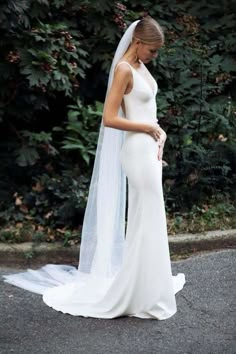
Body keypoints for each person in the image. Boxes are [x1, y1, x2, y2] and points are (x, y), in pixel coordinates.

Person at [4, 17, 185, 320]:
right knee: (147, 218)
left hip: (149, 150)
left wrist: (158, 135)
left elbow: (146, 110)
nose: (155, 56)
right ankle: (138, 291)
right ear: (137, 43)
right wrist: (147, 128)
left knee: (148, 219)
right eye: (152, 50)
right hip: (136, 151)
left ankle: (147, 288)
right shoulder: (124, 69)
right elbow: (109, 118)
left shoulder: (140, 67)